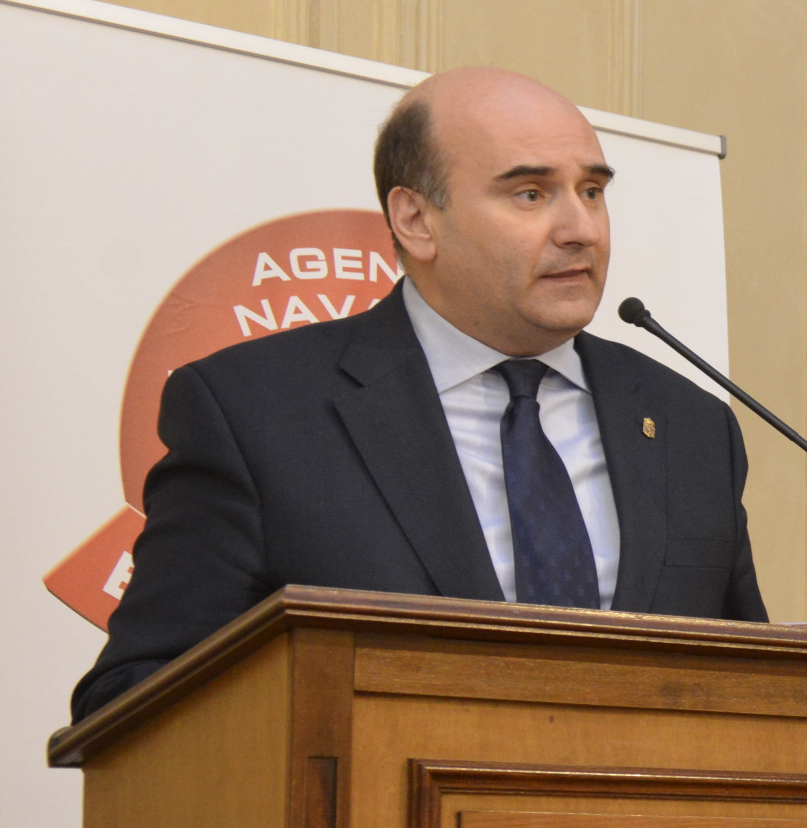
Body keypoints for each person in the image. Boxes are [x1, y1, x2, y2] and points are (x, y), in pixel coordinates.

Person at [71, 67, 768, 721]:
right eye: (530, 194)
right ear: (415, 220)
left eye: (591, 191)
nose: (581, 229)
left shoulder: (689, 424)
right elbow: (137, 695)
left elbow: (753, 690)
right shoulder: (257, 414)